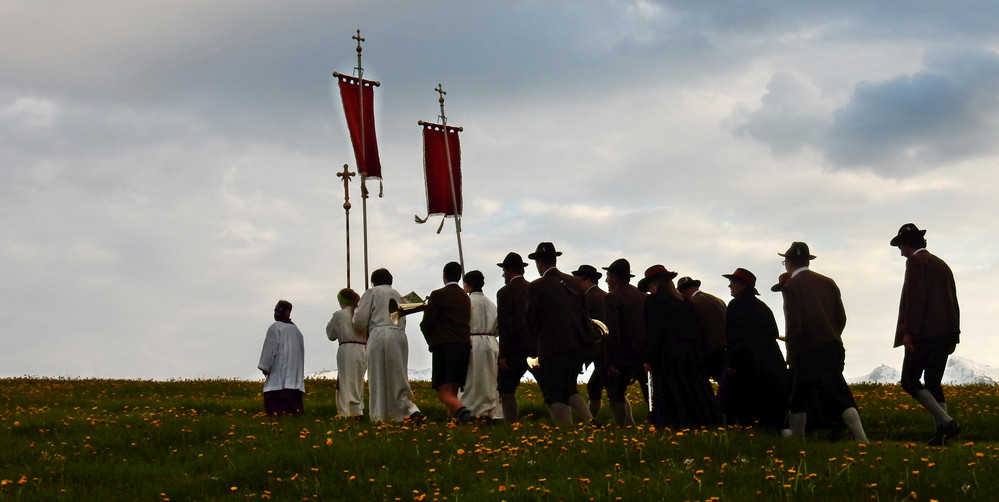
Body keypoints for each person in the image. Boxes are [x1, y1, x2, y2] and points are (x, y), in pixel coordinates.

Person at [779, 242, 868, 443]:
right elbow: (841, 317)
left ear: (790, 263)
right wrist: (831, 335)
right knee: (839, 393)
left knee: (797, 398)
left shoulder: (791, 286)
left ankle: (798, 443)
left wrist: (792, 355)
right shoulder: (828, 282)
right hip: (833, 347)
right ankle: (862, 439)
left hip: (808, 350)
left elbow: (794, 324)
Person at [891, 223, 962, 445]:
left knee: (909, 380)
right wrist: (955, 331)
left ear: (906, 244)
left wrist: (909, 332)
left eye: (900, 246)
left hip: (925, 334)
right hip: (946, 332)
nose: (900, 252)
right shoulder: (941, 264)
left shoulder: (915, 262)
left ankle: (947, 422)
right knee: (933, 382)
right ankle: (942, 435)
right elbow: (953, 300)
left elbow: (915, 299)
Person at [524, 242, 596, 426]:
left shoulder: (537, 285)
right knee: (569, 387)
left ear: (539, 262)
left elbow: (531, 320)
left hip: (552, 347)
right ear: (554, 259)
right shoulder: (573, 282)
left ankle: (565, 431)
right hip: (577, 345)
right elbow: (585, 313)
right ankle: (590, 420)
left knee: (554, 393)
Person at [642, 266, 719, 428]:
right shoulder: (687, 303)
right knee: (692, 390)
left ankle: (675, 425)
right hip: (690, 355)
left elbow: (655, 332)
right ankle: (702, 423)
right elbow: (698, 331)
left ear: (654, 284)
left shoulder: (653, 302)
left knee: (672, 392)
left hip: (667, 355)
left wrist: (649, 358)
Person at [721, 268, 789, 431]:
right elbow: (773, 332)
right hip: (770, 360)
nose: (730, 286)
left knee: (747, 403)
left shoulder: (735, 305)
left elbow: (734, 337)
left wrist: (732, 363)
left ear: (743, 285)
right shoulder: (762, 306)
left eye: (733, 282)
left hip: (747, 363)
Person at [354, 268, 424, 423]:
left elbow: (359, 320)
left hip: (379, 333)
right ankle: (407, 411)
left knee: (378, 375)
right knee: (398, 375)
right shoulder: (398, 295)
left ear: (373, 281)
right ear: (390, 281)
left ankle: (381, 416)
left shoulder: (371, 293)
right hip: (399, 334)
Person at [602, 258, 647, 426]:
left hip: (623, 355)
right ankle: (657, 424)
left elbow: (612, 331)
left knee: (616, 392)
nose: (606, 280)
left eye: (608, 276)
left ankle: (621, 429)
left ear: (614, 277)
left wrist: (610, 361)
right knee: (648, 392)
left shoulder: (612, 297)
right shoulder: (641, 295)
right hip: (643, 353)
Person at [495, 252, 538, 423]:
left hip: (513, 349)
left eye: (504, 271)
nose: (503, 274)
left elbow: (505, 325)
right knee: (547, 387)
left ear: (510, 270)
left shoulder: (504, 292)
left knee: (506, 389)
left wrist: (503, 354)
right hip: (535, 347)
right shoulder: (533, 288)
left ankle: (510, 423)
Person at [458, 270, 503, 420]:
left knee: (473, 379)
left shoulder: (466, 302)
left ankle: (474, 411)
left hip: (473, 342)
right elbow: (498, 327)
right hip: (491, 342)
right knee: (491, 380)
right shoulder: (491, 304)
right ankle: (493, 411)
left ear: (468, 284)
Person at [258, 300, 306, 416]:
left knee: (277, 415)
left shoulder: (275, 328)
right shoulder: (297, 331)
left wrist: (265, 367)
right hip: (294, 383)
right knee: (294, 415)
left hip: (277, 383)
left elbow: (269, 350)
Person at [571, 264, 607, 418]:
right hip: (604, 347)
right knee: (597, 386)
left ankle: (591, 422)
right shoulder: (604, 295)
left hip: (598, 348)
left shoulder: (588, 297)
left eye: (580, 280)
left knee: (606, 387)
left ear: (588, 280)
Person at [678, 277, 728, 385]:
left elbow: (693, 329)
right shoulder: (717, 300)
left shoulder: (692, 302)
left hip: (708, 352)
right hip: (725, 349)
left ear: (683, 291)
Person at [326, 288, 366, 419]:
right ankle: (357, 410)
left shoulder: (339, 315)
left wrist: (329, 324)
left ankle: (346, 412)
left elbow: (331, 335)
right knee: (357, 381)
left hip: (347, 348)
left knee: (345, 381)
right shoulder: (360, 313)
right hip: (362, 349)